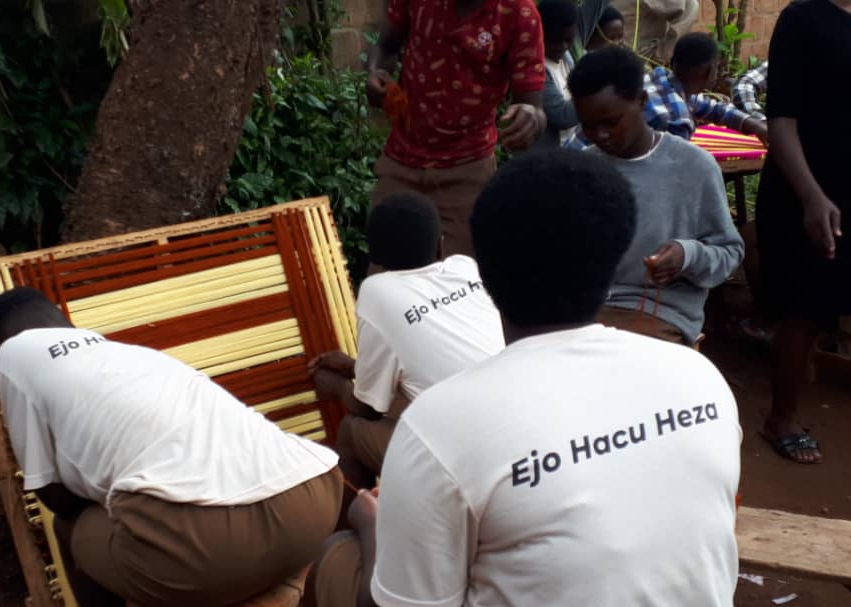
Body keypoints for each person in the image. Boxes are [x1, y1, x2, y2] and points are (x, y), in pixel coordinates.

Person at [305, 149, 742, 607]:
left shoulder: (439, 423)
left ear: (484, 271)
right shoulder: (699, 377)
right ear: (616, 255)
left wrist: (370, 525)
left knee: (338, 557)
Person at [0, 288, 343, 607]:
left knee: (68, 527)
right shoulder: (131, 355)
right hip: (314, 505)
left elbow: (51, 493)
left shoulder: (12, 354)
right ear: (62, 319)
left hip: (208, 558)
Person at [754, 0, 851, 472]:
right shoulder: (802, 19)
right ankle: (781, 419)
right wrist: (811, 197)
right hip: (806, 190)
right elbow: (781, 121)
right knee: (805, 312)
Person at [309, 192, 504, 490]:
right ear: (440, 245)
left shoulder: (377, 292)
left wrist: (336, 387)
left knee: (351, 431)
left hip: (469, 461)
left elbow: (368, 409)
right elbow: (434, 357)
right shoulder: (465, 268)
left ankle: (366, 516)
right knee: (407, 400)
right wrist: (354, 367)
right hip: (512, 427)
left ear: (373, 259)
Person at [569, 46, 743, 346]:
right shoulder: (583, 168)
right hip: (582, 308)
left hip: (659, 312)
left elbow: (729, 252)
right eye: (588, 125)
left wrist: (687, 255)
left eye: (611, 122)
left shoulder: (694, 167)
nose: (599, 135)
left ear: (641, 101)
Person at [365, 0, 548, 258]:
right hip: (400, 160)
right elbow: (386, 45)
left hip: (467, 169)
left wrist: (530, 119)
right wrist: (377, 72)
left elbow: (533, 106)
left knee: (459, 275)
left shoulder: (519, 14)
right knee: (385, 268)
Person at [645, 33, 768, 144]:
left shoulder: (658, 77)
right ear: (710, 72)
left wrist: (755, 124)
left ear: (672, 62)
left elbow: (714, 109)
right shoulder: (678, 120)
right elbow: (677, 159)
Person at [536, 0, 613, 147]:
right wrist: (600, 92)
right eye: (554, 41)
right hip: (562, 149)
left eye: (568, 40)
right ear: (538, 33)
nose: (563, 47)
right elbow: (563, 115)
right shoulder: (536, 69)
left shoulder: (574, 42)